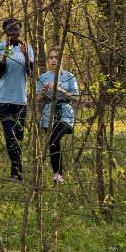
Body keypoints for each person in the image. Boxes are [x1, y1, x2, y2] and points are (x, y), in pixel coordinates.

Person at [0, 18, 35, 179]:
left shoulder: (27, 48)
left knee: (19, 136)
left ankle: (17, 167)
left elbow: (31, 73)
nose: (13, 32)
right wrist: (5, 55)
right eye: (9, 29)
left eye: (15, 29)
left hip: (20, 99)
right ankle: (16, 172)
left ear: (20, 30)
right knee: (10, 134)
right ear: (5, 32)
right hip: (3, 98)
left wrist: (25, 55)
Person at [36, 45, 79, 185]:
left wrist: (60, 89)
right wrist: (43, 92)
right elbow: (37, 99)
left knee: (54, 138)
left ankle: (59, 174)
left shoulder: (69, 76)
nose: (53, 60)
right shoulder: (43, 77)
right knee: (52, 142)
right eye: (51, 58)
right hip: (48, 112)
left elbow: (76, 97)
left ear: (62, 59)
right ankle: (57, 175)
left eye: (56, 57)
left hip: (65, 112)